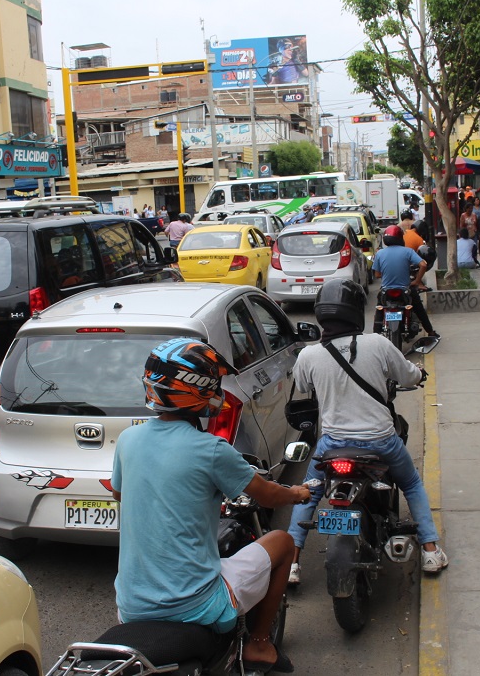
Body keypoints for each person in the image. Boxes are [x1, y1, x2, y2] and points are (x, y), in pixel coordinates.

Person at [112, 337, 309, 673]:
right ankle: (260, 644)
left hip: (131, 607)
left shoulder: (128, 439)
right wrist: (297, 494)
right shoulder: (213, 451)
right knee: (284, 542)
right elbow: (268, 496)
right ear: (201, 392)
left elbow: (121, 494)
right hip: (196, 605)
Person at [287, 279, 447, 585]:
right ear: (355, 311)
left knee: (307, 494)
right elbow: (409, 375)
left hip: (332, 444)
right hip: (381, 441)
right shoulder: (379, 344)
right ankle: (429, 549)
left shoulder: (309, 355)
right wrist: (419, 374)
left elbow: (304, 387)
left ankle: (292, 564)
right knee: (412, 484)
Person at [371, 226, 439, 337]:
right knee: (419, 309)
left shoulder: (380, 254)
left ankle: (375, 336)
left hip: (386, 292)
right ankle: (430, 332)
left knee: (379, 310)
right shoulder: (408, 251)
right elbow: (423, 265)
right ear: (400, 238)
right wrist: (417, 281)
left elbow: (377, 275)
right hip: (405, 290)